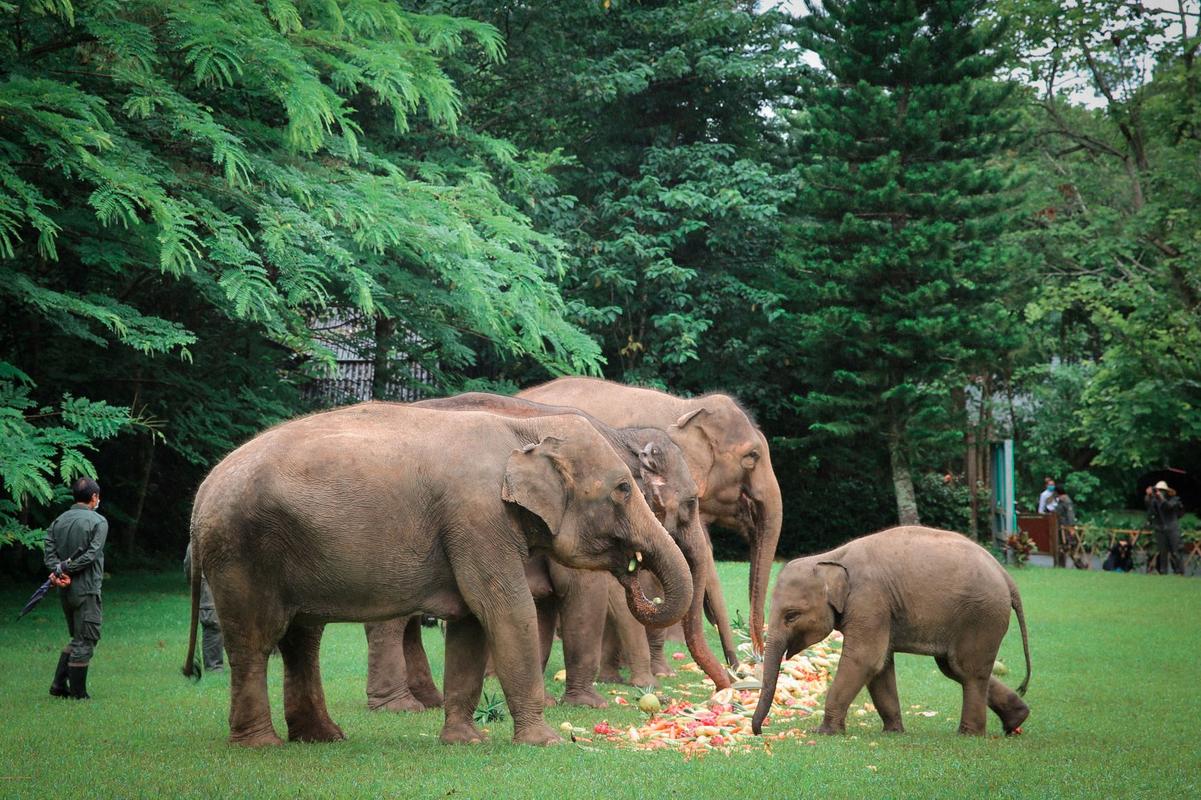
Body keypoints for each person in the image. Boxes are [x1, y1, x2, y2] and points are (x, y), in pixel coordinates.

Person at [43, 477, 108, 699]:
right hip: (87, 590)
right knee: (87, 638)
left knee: (77, 637)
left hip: (65, 590)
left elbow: (49, 552)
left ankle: (59, 685)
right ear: (94, 497)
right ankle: (79, 694)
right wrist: (67, 570)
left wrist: (58, 570)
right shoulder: (98, 522)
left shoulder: (58, 521)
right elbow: (92, 554)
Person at [184, 541, 225, 672]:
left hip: (222, 589)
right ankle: (213, 666)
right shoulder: (196, 543)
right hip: (208, 589)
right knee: (213, 623)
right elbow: (189, 568)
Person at [1145, 480, 1184, 575]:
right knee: (1162, 553)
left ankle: (1179, 572)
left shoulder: (1174, 499)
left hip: (1172, 528)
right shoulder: (1155, 501)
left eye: (1162, 490)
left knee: (1175, 552)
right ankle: (1163, 572)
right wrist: (1149, 496)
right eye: (1158, 490)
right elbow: (1149, 508)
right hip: (1160, 528)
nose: (1159, 492)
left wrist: (1161, 497)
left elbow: (1168, 507)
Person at [1054, 488, 1087, 569]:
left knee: (1070, 547)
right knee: (1063, 547)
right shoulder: (1061, 501)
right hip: (1061, 527)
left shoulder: (1067, 502)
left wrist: (1071, 527)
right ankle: (1061, 565)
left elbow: (1070, 516)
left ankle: (1080, 565)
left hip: (1067, 528)